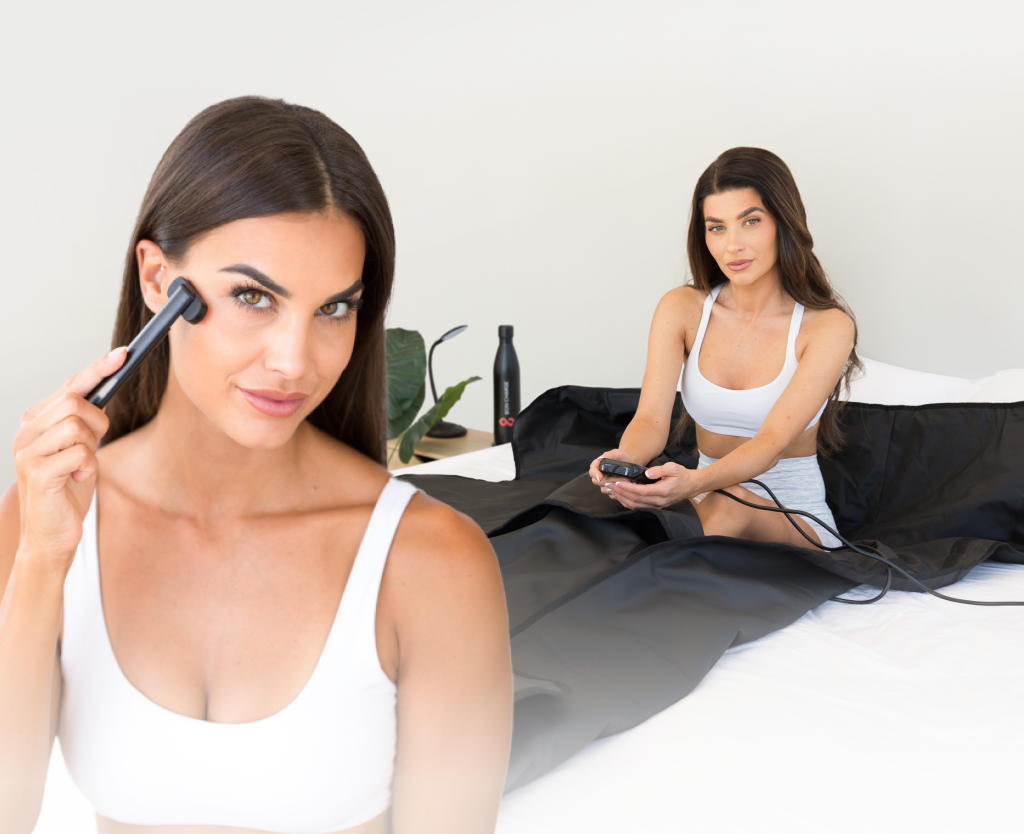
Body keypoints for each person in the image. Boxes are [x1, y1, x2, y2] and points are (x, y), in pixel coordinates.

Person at [0, 97, 513, 834]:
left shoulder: (431, 562)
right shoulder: (48, 519)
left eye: (333, 309)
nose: (294, 362)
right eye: (253, 296)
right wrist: (42, 563)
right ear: (158, 280)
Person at [590, 147, 861, 551]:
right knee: (611, 523)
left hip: (793, 521)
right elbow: (649, 419)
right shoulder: (681, 308)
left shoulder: (828, 327)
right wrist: (625, 461)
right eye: (717, 227)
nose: (732, 245)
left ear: (783, 222)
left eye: (750, 221)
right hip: (704, 508)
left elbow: (772, 443)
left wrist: (694, 483)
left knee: (726, 505)